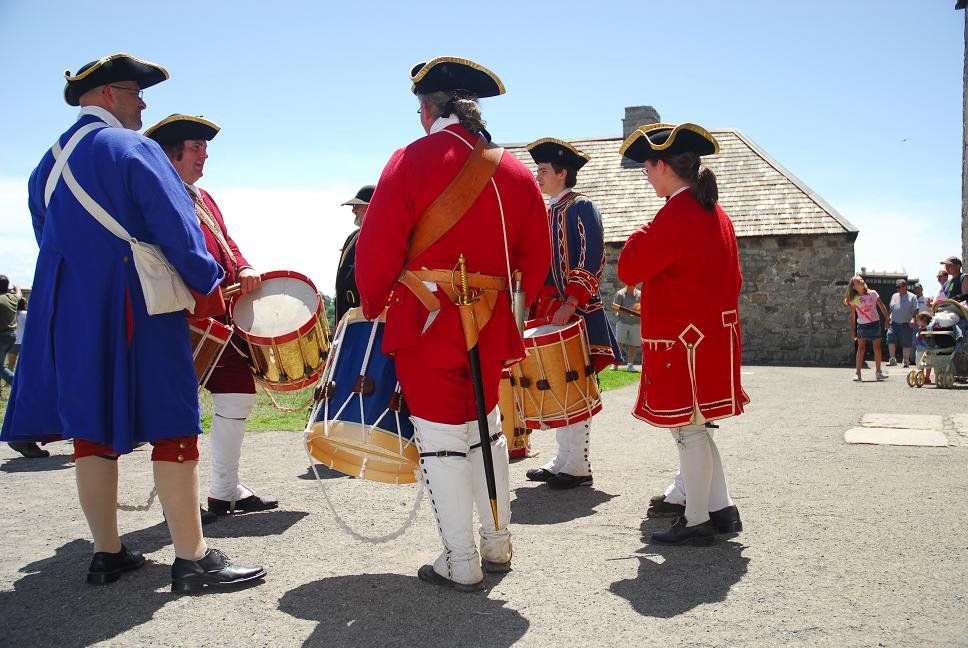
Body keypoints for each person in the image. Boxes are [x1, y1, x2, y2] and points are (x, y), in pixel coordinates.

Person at [0, 53, 264, 591]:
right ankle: (192, 559)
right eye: (134, 92)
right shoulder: (134, 148)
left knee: (90, 430)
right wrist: (206, 281)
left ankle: (108, 552)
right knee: (174, 423)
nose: (143, 103)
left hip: (72, 309)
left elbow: (46, 234)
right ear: (105, 96)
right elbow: (178, 229)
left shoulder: (43, 166)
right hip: (136, 304)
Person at [355, 56, 551, 590]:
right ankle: (497, 544)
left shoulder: (410, 160)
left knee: (441, 435)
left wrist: (372, 302)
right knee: (484, 429)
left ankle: (459, 561)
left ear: (427, 108)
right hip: (490, 323)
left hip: (428, 319)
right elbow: (537, 255)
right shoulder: (512, 168)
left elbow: (376, 250)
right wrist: (514, 309)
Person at [617, 123, 747, 545]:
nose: (647, 176)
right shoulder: (715, 211)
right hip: (711, 338)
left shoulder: (677, 212)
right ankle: (721, 509)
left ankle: (695, 520)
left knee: (689, 430)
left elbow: (629, 268)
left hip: (685, 342)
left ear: (662, 167)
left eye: (647, 169)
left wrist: (643, 228)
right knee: (699, 428)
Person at [146, 114, 278, 519]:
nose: (205, 156)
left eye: (205, 149)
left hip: (216, 320)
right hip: (179, 319)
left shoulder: (204, 199)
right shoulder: (159, 196)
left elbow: (227, 244)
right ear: (173, 154)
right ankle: (180, 508)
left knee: (237, 390)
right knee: (167, 416)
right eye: (196, 148)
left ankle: (224, 491)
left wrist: (244, 267)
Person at [522, 138, 622, 490]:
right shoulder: (545, 211)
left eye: (544, 171)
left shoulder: (583, 207)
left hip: (573, 311)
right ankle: (563, 459)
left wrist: (572, 301)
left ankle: (578, 463)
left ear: (563, 173)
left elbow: (592, 257)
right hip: (546, 310)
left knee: (574, 384)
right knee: (556, 383)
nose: (538, 177)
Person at [335, 185, 375, 322]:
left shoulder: (385, 237)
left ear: (372, 207)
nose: (353, 210)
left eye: (358, 206)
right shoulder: (352, 237)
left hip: (369, 321)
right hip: (348, 320)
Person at [845, 276, 890, 382]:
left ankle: (878, 372)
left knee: (877, 348)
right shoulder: (855, 298)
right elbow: (852, 316)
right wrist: (852, 332)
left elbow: (882, 306)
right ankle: (858, 373)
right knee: (861, 349)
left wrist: (887, 318)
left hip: (875, 323)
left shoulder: (872, 293)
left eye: (861, 279)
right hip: (862, 325)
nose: (861, 281)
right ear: (854, 286)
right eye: (858, 281)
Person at [886, 279, 918, 368]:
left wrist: (913, 319)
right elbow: (890, 309)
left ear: (905, 287)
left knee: (906, 342)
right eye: (896, 287)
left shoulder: (912, 297)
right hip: (894, 323)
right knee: (890, 338)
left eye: (899, 287)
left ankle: (906, 361)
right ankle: (892, 359)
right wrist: (887, 320)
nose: (897, 289)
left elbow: (916, 310)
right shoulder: (894, 296)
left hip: (906, 323)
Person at [612, 283, 641, 371]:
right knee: (619, 343)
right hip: (622, 321)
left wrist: (638, 310)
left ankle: (630, 365)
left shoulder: (640, 294)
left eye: (632, 284)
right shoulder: (620, 293)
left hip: (636, 323)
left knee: (633, 345)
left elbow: (643, 307)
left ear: (635, 285)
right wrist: (629, 310)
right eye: (629, 284)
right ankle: (615, 364)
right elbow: (614, 307)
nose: (630, 286)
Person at [914, 311, 933, 384]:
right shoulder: (920, 328)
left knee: (928, 363)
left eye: (918, 320)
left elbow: (926, 339)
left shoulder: (927, 329)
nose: (917, 322)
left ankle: (927, 377)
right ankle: (921, 376)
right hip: (919, 349)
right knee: (920, 363)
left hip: (926, 349)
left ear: (923, 320)